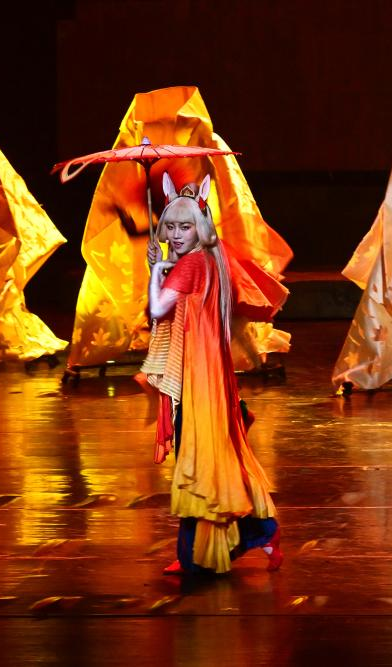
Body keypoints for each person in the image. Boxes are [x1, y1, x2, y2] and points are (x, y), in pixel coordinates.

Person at [141, 173, 282, 574]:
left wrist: (156, 271)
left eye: (184, 227)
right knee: (210, 456)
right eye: (170, 226)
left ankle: (219, 547)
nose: (176, 234)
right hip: (208, 373)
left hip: (197, 378)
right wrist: (165, 268)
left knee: (200, 459)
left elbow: (157, 310)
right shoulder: (211, 259)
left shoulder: (189, 265)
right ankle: (245, 537)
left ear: (200, 226)